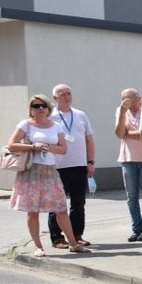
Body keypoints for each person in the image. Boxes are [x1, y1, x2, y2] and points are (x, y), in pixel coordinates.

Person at [6, 94, 90, 256]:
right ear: (31, 109)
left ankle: (73, 243)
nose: (40, 108)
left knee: (60, 208)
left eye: (43, 105)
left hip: (50, 171)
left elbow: (63, 149)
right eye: (36, 106)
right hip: (31, 171)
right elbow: (11, 145)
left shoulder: (55, 126)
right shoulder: (26, 125)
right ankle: (38, 246)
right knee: (32, 211)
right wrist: (33, 147)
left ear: (49, 108)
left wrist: (49, 147)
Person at [48, 84, 95, 249]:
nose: (67, 97)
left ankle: (76, 235)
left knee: (78, 203)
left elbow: (89, 139)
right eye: (62, 94)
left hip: (79, 164)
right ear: (55, 98)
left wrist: (90, 161)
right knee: (57, 205)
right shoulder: (50, 116)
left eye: (69, 93)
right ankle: (57, 238)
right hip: (57, 166)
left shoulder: (80, 115)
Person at [114, 88, 142, 242]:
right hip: (127, 158)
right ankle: (136, 228)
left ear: (137, 98)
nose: (126, 103)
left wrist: (127, 133)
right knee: (132, 197)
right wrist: (123, 112)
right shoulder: (121, 110)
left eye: (129, 99)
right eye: (123, 100)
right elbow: (118, 133)